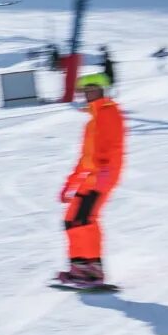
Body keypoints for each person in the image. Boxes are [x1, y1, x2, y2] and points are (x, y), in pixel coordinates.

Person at [58, 70, 125, 289]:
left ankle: (94, 269)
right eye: (85, 91)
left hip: (103, 177)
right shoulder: (91, 122)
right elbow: (85, 158)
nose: (88, 95)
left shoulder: (110, 113)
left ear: (102, 90)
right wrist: (70, 183)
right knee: (70, 220)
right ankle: (79, 267)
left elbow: (115, 149)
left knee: (86, 219)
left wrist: (106, 175)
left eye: (92, 90)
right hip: (90, 179)